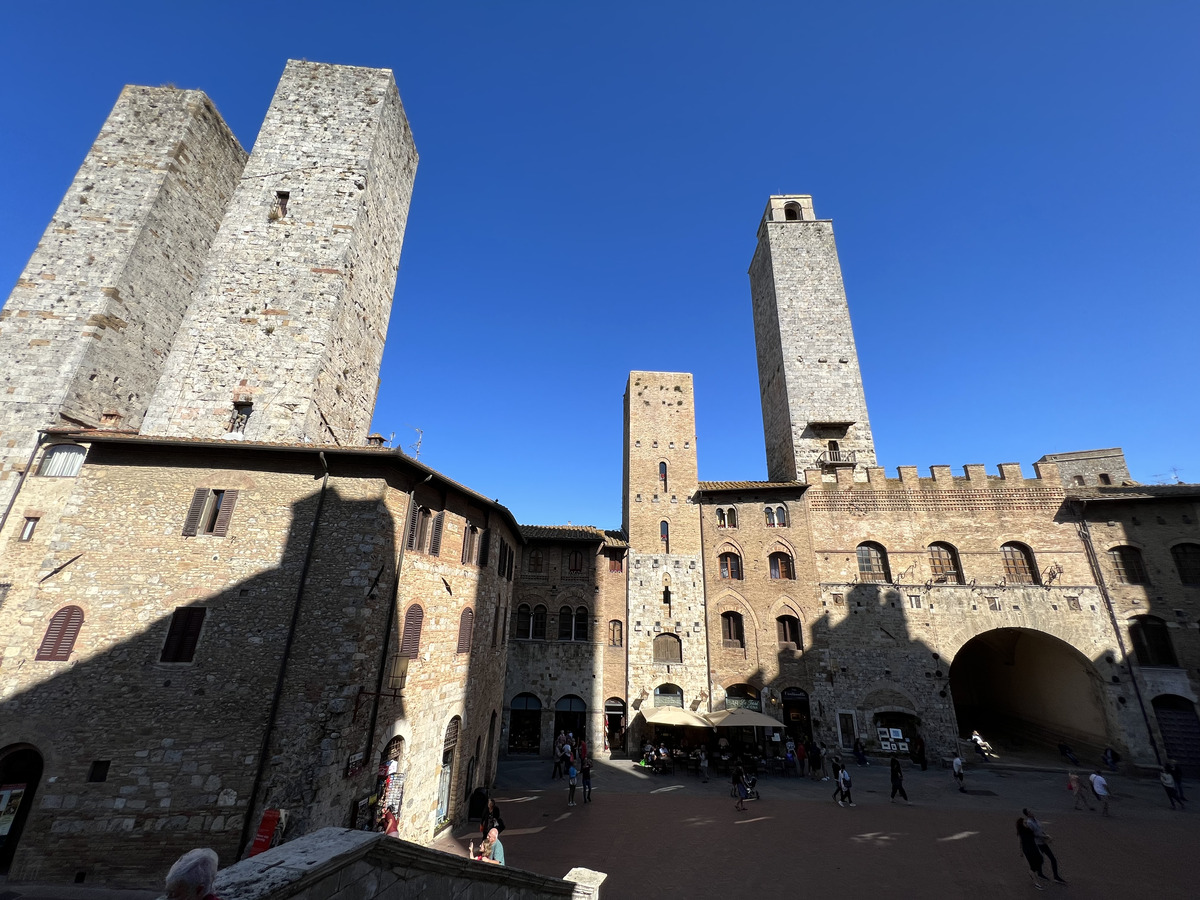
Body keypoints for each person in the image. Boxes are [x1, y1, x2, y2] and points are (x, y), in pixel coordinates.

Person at [1023, 808, 1066, 884]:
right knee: (1044, 859)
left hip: (1042, 843)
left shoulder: (1035, 819)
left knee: (1052, 859)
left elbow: (1040, 829)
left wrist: (1045, 835)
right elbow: (1033, 834)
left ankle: (1054, 876)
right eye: (1029, 812)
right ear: (1027, 814)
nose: (1032, 812)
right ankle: (1042, 874)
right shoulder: (1029, 823)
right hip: (1037, 844)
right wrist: (1044, 837)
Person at [1015, 816, 1047, 890]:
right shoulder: (1020, 832)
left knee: (1041, 859)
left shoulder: (1030, 830)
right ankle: (1036, 883)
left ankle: (1032, 872)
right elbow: (1019, 842)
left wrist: (1045, 836)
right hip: (1027, 850)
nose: (1026, 823)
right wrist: (1020, 852)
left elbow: (1036, 835)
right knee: (1032, 866)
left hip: (1034, 847)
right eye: (1024, 822)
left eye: (1026, 822)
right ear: (1021, 824)